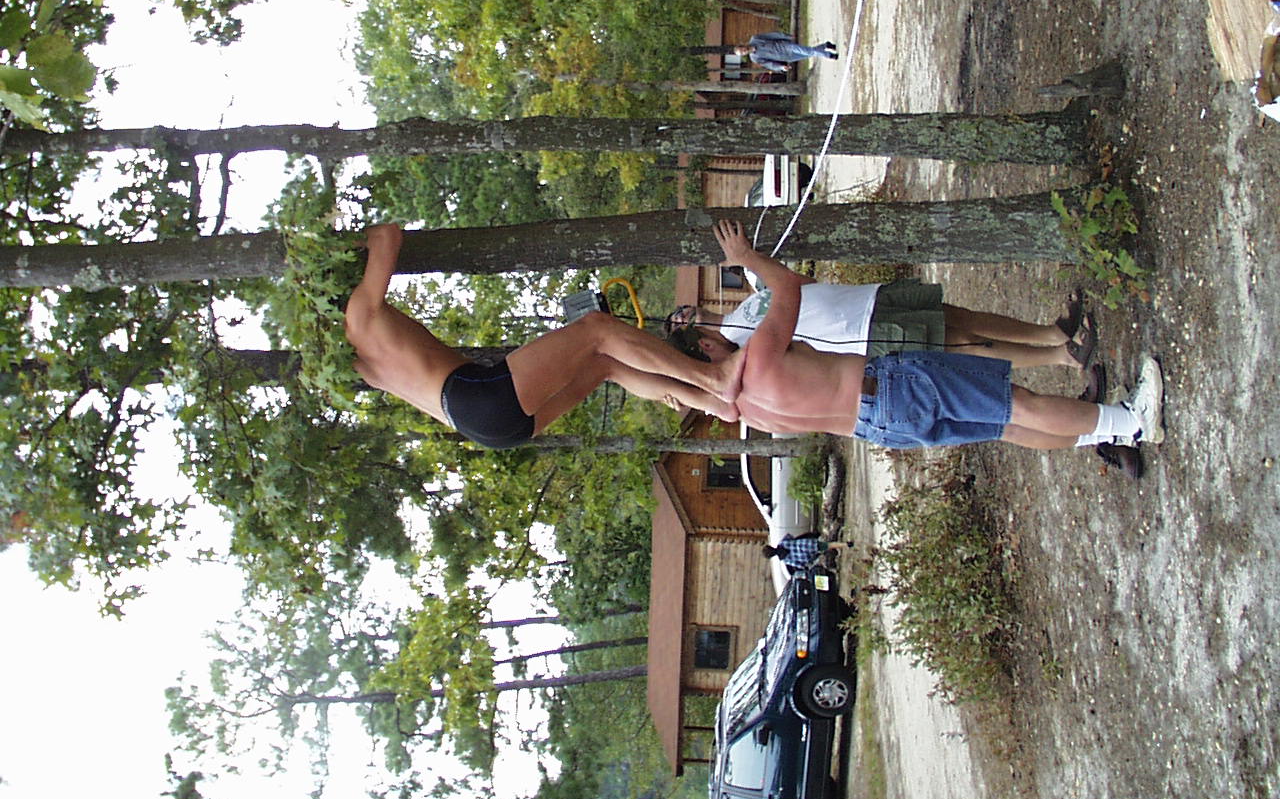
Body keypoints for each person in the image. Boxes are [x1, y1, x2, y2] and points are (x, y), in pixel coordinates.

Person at [700, 220, 1164, 454]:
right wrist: (746, 257)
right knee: (1015, 404)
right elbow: (787, 287)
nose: (699, 323)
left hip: (880, 423)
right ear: (704, 348)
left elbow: (695, 391)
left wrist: (675, 385)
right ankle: (1131, 421)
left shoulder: (742, 408)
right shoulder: (756, 359)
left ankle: (1110, 432)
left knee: (1005, 425)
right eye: (695, 329)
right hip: (887, 384)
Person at [343, 223, 742, 449]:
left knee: (605, 367)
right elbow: (387, 235)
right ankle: (712, 379)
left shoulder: (360, 364)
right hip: (478, 396)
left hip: (483, 430)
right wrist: (346, 240)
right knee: (596, 330)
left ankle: (708, 403)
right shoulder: (358, 313)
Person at [666, 265, 1097, 372]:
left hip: (865, 301)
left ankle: (1052, 331)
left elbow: (798, 284)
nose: (687, 317)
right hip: (863, 334)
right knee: (964, 345)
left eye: (682, 313)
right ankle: (1062, 356)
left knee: (962, 317)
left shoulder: (741, 309)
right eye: (682, 325)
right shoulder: (742, 351)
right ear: (701, 344)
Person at [736, 32, 838, 73]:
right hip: (786, 57)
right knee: (808, 54)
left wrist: (786, 36)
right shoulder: (755, 58)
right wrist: (781, 67)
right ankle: (826, 45)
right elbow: (769, 64)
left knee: (809, 51)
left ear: (742, 45)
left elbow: (772, 35)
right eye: (742, 53)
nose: (744, 51)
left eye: (742, 49)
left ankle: (830, 55)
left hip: (786, 46)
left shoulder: (755, 39)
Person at [763, 532, 854, 573]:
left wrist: (805, 566)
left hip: (808, 557)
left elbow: (799, 565)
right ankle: (845, 544)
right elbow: (791, 536)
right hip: (807, 544)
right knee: (828, 545)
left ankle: (832, 562)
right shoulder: (782, 543)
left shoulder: (785, 560)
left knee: (821, 555)